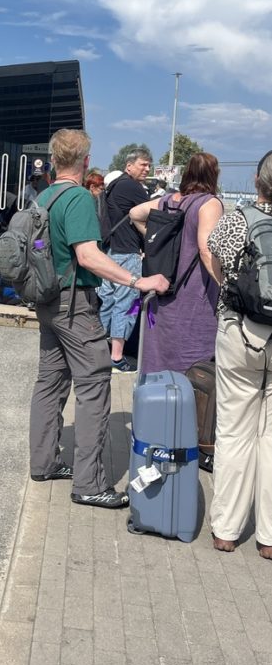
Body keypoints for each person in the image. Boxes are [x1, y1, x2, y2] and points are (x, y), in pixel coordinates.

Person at [29, 129, 169, 509]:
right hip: (74, 306)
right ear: (86, 161)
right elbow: (88, 256)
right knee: (94, 385)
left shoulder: (45, 196)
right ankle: (89, 483)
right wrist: (137, 281)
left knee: (49, 383)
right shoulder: (77, 198)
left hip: (48, 301)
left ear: (53, 160)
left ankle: (43, 463)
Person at [205, 150, 272, 559]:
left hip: (240, 333)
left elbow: (215, 262)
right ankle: (269, 537)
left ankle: (227, 530)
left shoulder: (236, 220)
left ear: (256, 182)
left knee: (232, 430)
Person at [128, 153, 223, 373]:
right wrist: (225, 284)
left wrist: (154, 241)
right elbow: (205, 250)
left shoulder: (168, 201)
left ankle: (157, 391)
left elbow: (134, 213)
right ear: (213, 175)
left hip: (164, 286)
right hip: (194, 293)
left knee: (159, 351)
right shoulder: (209, 203)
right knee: (193, 358)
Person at [98, 149, 151, 372]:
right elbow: (153, 214)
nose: (147, 169)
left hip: (110, 251)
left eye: (148, 165)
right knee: (127, 304)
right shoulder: (132, 187)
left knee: (108, 301)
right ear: (129, 166)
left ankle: (98, 351)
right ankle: (117, 357)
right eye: (143, 164)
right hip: (127, 252)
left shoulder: (114, 186)